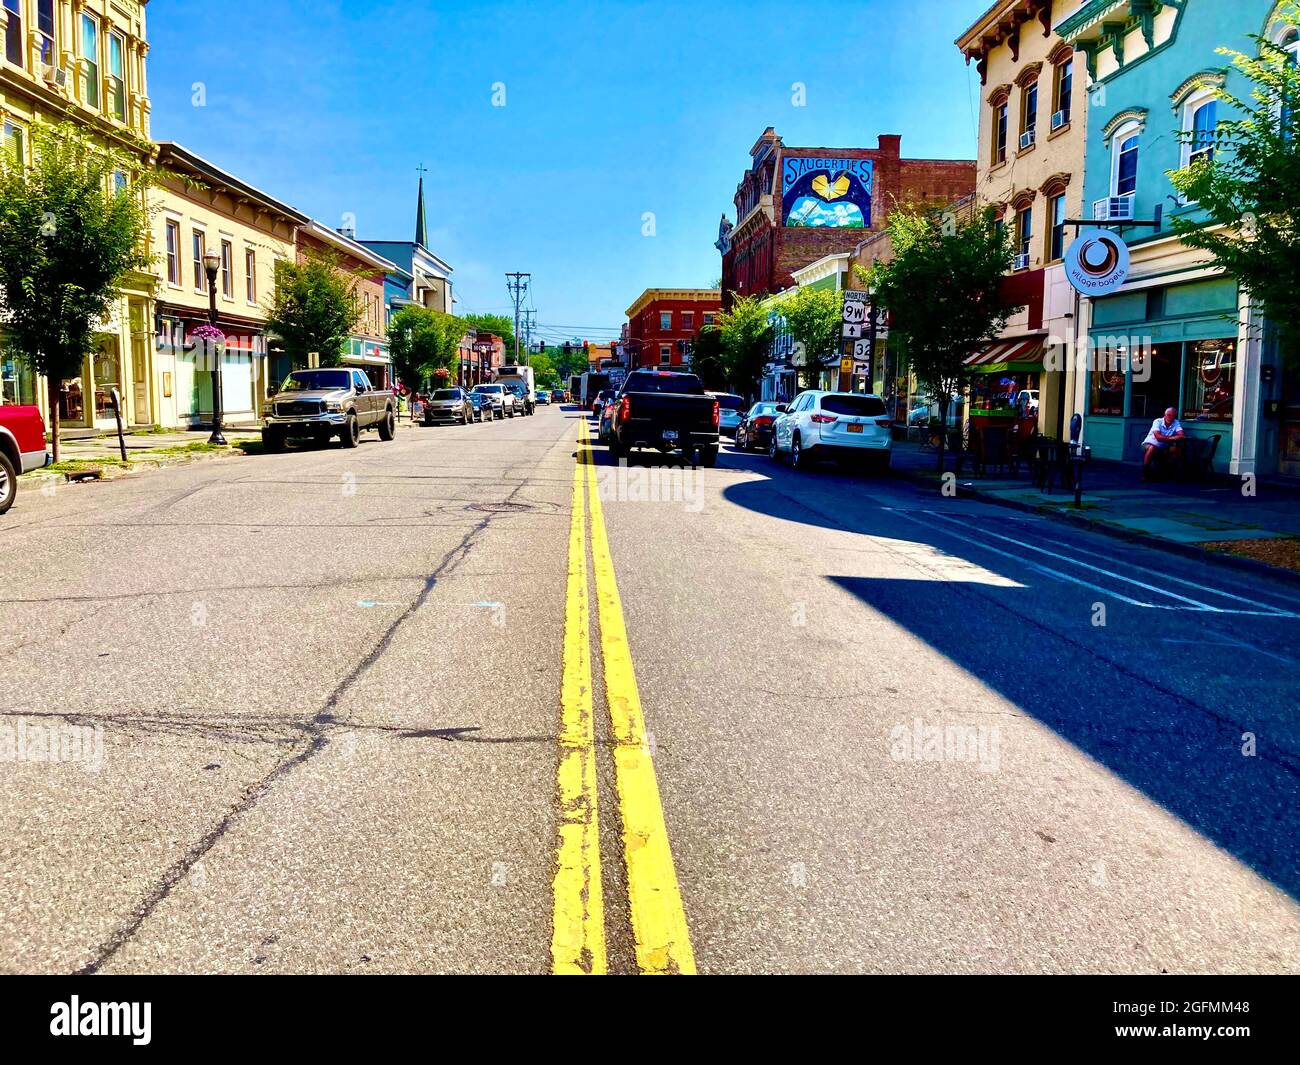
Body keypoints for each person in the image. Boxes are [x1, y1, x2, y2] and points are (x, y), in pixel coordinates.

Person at [1142, 407, 1185, 478]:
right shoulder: (1157, 421)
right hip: (1149, 444)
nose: (1171, 417)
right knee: (1152, 448)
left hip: (1164, 445)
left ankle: (1175, 473)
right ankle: (1145, 472)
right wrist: (1172, 438)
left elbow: (1181, 435)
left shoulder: (1176, 422)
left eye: (1173, 416)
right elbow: (1158, 437)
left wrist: (1175, 437)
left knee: (1178, 449)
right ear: (1165, 415)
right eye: (1169, 415)